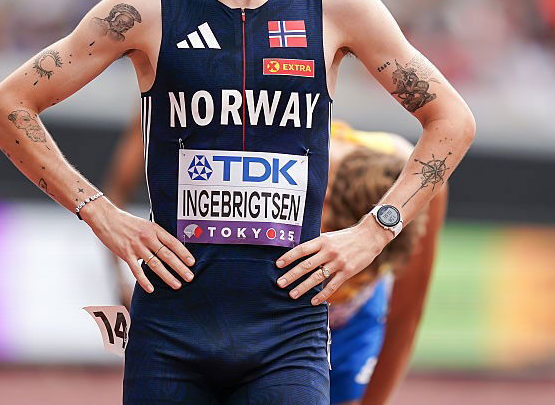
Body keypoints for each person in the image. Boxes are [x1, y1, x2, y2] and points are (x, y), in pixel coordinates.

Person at [0, 0, 475, 404]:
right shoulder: (146, 8)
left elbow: (452, 121)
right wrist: (101, 213)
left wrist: (374, 232)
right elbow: (6, 106)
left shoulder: (337, 5)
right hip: (169, 335)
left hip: (288, 337)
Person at [103, 117, 448, 404]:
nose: (340, 281)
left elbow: (405, 317)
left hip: (351, 323)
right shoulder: (273, 155)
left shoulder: (417, 179)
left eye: (357, 273)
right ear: (323, 204)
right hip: (259, 305)